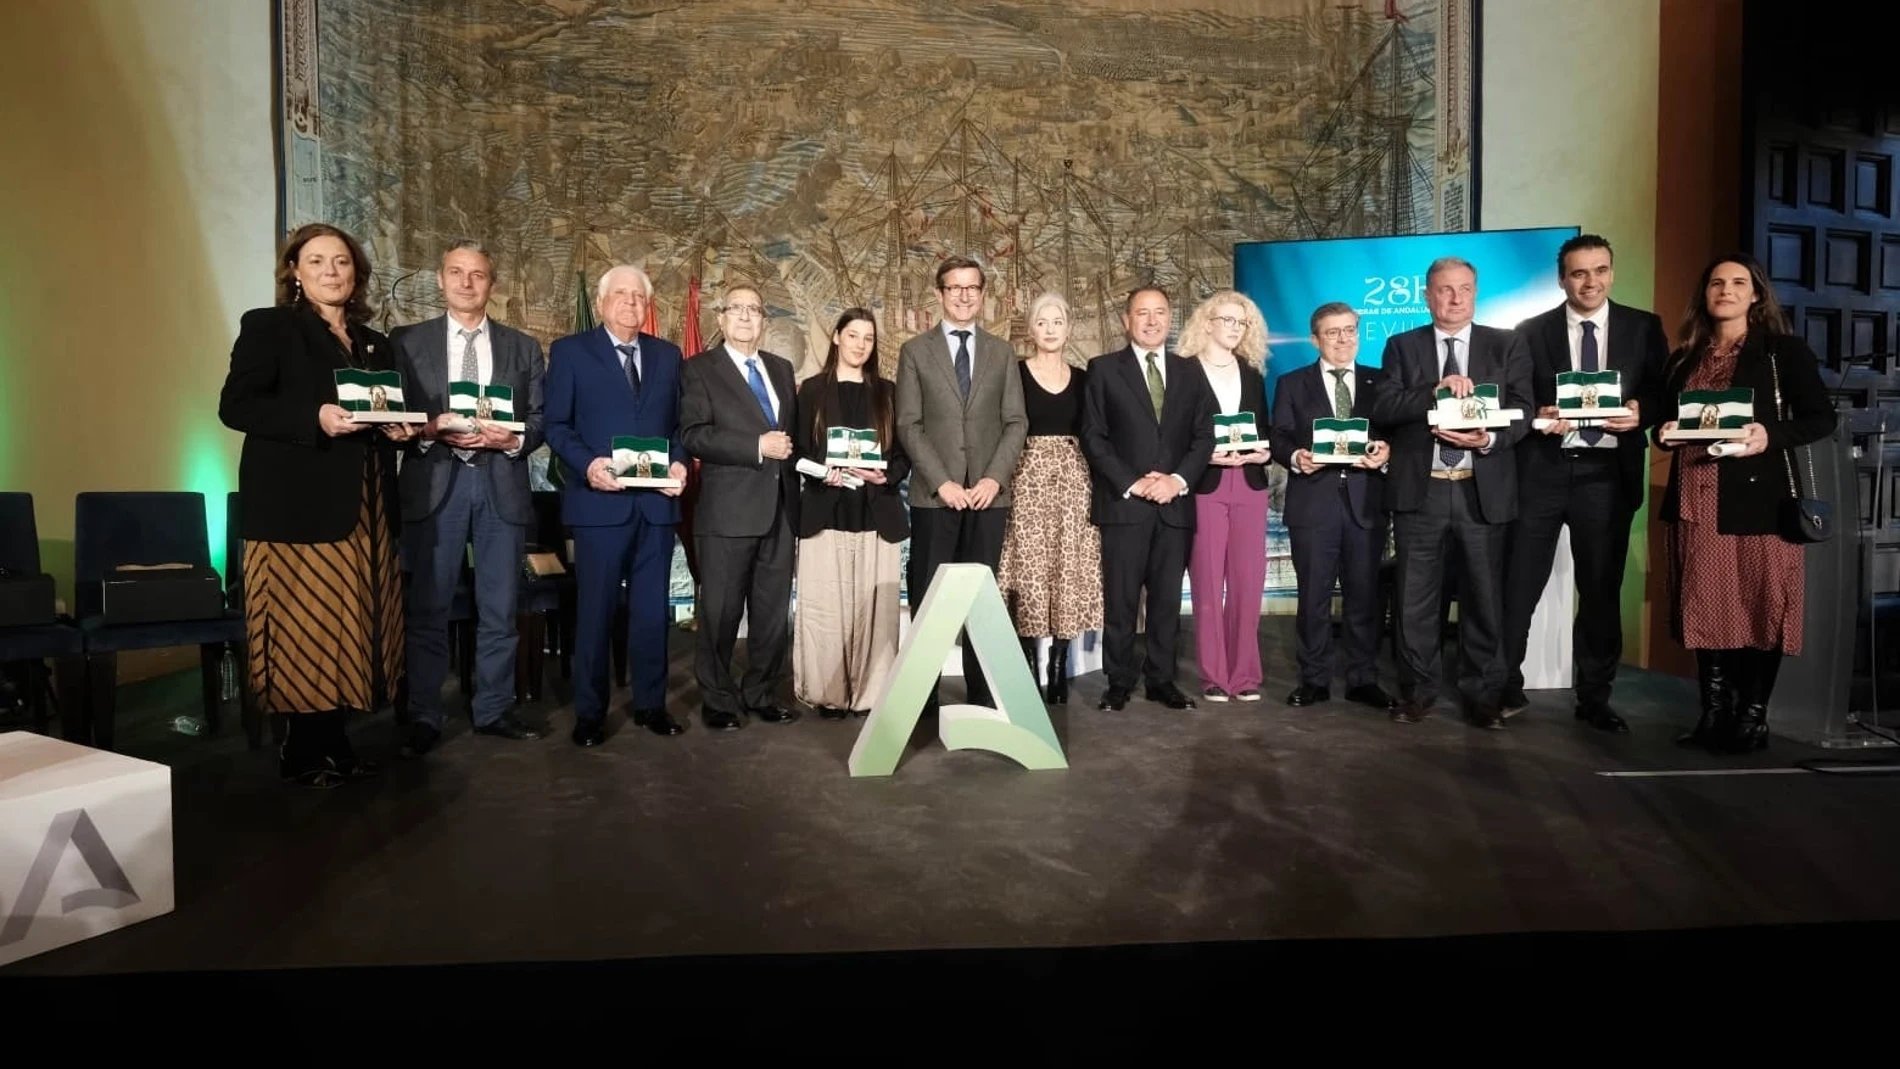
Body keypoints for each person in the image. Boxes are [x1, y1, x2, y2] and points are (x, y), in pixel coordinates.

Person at [218, 222, 415, 788]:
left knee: (352, 626)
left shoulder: (374, 343)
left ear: (356, 275)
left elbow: (375, 415)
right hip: (294, 511)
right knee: (307, 629)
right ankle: (300, 751)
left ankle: (336, 743)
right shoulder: (270, 327)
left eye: (342, 262)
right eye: (318, 261)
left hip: (366, 506)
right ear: (295, 273)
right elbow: (237, 406)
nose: (332, 271)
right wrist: (315, 417)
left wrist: (397, 430)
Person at [1655, 254, 1836, 753]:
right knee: (1707, 609)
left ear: (1756, 295)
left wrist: (1768, 434)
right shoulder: (1684, 357)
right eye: (1717, 282)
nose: (1726, 290)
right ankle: (1714, 715)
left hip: (1759, 498)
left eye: (1739, 282)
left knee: (1760, 606)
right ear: (1705, 294)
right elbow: (1664, 422)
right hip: (1696, 498)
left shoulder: (1782, 352)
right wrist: (1664, 433)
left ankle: (1752, 718)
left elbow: (1822, 418)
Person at [1500, 234, 1669, 732]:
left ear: (1612, 273)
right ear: (1562, 279)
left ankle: (1595, 697)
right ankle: (1505, 684)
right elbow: (1517, 398)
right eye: (1579, 272)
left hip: (1607, 475)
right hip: (1544, 471)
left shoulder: (1643, 327)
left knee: (1600, 591)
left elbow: (1662, 391)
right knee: (1520, 584)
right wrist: (1538, 414)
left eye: (1599, 270)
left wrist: (1641, 411)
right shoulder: (1531, 331)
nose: (1590, 281)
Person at [391, 239, 547, 758]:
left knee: (500, 608)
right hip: (436, 483)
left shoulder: (523, 348)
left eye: (477, 274)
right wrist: (428, 427)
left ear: (491, 284)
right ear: (440, 280)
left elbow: (542, 420)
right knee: (428, 608)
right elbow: (393, 415)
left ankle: (495, 708)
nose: (466, 282)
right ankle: (424, 714)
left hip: (500, 482)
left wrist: (513, 439)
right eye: (456, 273)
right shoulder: (406, 342)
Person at [1369, 257, 1533, 729]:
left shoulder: (1506, 345)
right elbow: (1384, 405)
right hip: (1422, 493)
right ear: (1427, 295)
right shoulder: (1403, 346)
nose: (1455, 298)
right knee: (1415, 601)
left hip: (1482, 489)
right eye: (1444, 290)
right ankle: (1418, 692)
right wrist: (1432, 393)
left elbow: (1522, 409)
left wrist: (1489, 439)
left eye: (1463, 289)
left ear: (1476, 293)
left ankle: (1483, 695)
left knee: (1485, 598)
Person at [544, 264, 688, 747]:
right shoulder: (570, 352)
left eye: (638, 297)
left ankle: (651, 705)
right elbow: (557, 425)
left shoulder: (668, 356)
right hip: (599, 504)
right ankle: (589, 712)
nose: (630, 303)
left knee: (651, 614)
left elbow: (678, 430)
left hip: (656, 508)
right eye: (620, 295)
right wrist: (588, 466)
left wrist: (680, 465)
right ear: (603, 303)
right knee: (596, 612)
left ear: (647, 307)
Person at [894, 257, 1028, 711]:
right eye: (955, 288)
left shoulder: (1002, 352)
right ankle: (921, 700)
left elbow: (1015, 422)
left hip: (989, 498)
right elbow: (909, 425)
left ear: (982, 294)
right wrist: (943, 483)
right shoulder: (915, 352)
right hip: (937, 498)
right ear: (939, 294)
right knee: (930, 601)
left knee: (983, 601)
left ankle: (982, 696)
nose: (964, 295)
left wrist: (993, 478)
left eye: (973, 288)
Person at [1080, 286, 1216, 711]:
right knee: (1120, 601)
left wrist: (1176, 480)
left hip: (1174, 506)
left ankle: (1161, 680)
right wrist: (1136, 483)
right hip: (1125, 505)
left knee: (1166, 601)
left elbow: (1203, 435)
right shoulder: (1102, 369)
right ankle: (1118, 682)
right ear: (1127, 320)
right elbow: (1094, 437)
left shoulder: (1190, 371)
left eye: (1160, 312)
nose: (1152, 320)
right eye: (1143, 313)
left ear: (1169, 319)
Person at [680, 286, 802, 730]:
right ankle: (717, 698)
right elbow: (693, 434)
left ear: (764, 320)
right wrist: (755, 445)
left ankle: (762, 692)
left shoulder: (781, 369)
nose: (747, 316)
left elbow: (792, 440)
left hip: (781, 510)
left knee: (771, 613)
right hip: (728, 511)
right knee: (721, 610)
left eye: (755, 310)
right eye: (738, 309)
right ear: (721, 319)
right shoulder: (699, 370)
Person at [1268, 302, 1394, 711]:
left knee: (1364, 597)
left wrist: (1386, 452)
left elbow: (1396, 435)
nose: (1343, 339)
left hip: (1366, 503)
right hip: (1313, 504)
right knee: (1314, 598)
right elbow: (1279, 436)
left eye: (1350, 330)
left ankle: (1362, 678)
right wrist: (1297, 457)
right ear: (1315, 339)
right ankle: (1314, 679)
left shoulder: (1381, 381)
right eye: (1333, 332)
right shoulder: (1291, 383)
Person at [792, 308, 909, 718]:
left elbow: (902, 457)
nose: (861, 344)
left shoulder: (889, 394)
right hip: (826, 512)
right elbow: (798, 455)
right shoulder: (811, 391)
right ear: (837, 337)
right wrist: (824, 472)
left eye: (869, 338)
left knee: (875, 611)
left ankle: (871, 693)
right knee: (827, 610)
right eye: (853, 335)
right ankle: (829, 692)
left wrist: (884, 477)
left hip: (877, 515)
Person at [995, 292, 1102, 704]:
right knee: (1027, 568)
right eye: (1043, 322)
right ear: (1031, 329)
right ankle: (1027, 662)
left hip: (1074, 482)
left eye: (1058, 321)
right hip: (1025, 480)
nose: (1051, 329)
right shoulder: (1015, 375)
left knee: (1066, 567)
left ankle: (1058, 663)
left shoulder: (1084, 378)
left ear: (1069, 327)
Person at [1180, 291, 1273, 703]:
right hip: (1206, 486)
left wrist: (1264, 451)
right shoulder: (1183, 373)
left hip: (1249, 485)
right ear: (1207, 322)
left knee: (1248, 584)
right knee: (1206, 583)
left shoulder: (1252, 374)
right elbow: (1177, 434)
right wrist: (1203, 455)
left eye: (1242, 322)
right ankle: (1214, 676)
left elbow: (1264, 431)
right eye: (1227, 320)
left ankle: (1246, 676)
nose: (1234, 328)